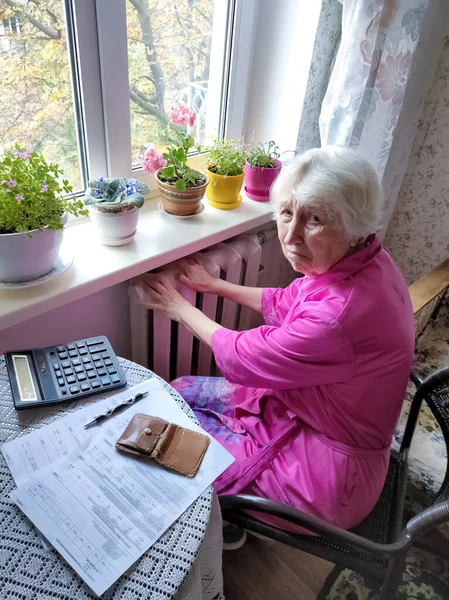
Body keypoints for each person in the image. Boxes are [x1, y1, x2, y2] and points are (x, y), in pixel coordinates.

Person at [136, 146, 415, 548]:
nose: (291, 235)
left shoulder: (339, 315)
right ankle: (229, 508)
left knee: (177, 449)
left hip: (331, 477)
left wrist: (177, 306)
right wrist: (213, 285)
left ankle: (225, 519)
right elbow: (286, 301)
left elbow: (242, 355)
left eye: (315, 219)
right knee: (177, 391)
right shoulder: (367, 259)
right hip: (317, 416)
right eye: (287, 213)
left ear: (355, 226)